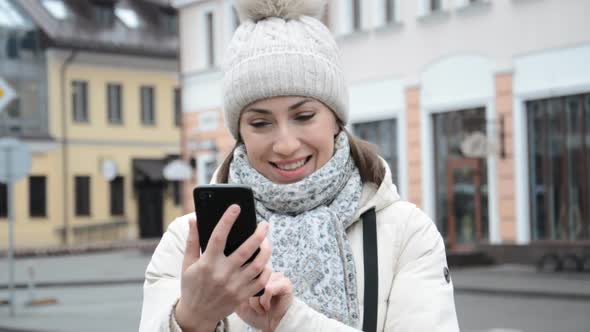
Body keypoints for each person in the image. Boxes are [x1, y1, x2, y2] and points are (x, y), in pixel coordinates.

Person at [139, 0, 460, 331]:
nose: (286, 144)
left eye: (304, 116)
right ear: (240, 134)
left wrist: (291, 321)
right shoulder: (188, 242)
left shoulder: (407, 234)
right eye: (260, 123)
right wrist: (191, 319)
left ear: (335, 119)